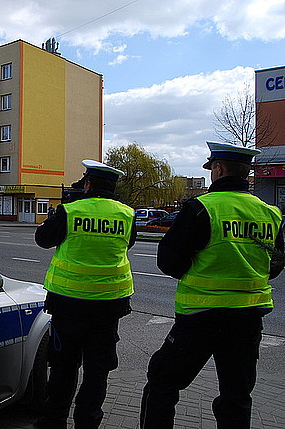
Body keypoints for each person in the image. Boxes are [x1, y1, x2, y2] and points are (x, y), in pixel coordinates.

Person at [140, 141, 285, 429]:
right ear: (245, 173)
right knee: (237, 395)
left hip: (200, 318)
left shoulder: (201, 208)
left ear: (218, 169)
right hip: (248, 319)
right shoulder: (270, 213)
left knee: (162, 382)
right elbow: (276, 265)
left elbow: (169, 261)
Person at [34, 160, 136, 429]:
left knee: (63, 368)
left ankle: (54, 421)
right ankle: (88, 423)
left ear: (88, 184)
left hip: (69, 305)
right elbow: (129, 243)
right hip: (108, 307)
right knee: (97, 371)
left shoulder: (70, 211)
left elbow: (43, 239)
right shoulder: (127, 214)